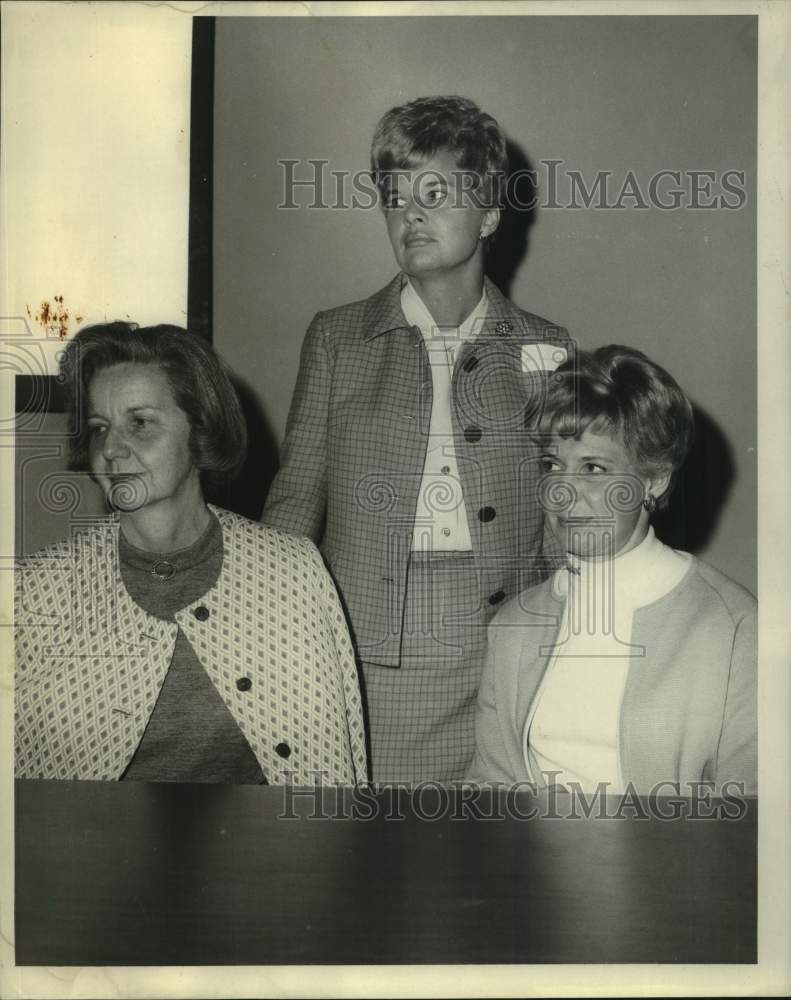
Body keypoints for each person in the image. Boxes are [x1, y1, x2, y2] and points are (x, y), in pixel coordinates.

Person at [263, 95, 570, 783]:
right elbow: (295, 499)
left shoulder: (547, 347)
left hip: (509, 639)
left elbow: (561, 516)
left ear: (489, 213)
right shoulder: (337, 338)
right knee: (382, 859)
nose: (410, 214)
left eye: (434, 193)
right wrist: (270, 621)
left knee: (495, 860)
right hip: (371, 640)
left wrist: (563, 637)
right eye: (394, 197)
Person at [15, 322, 367, 785]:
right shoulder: (36, 589)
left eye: (139, 423)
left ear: (199, 430)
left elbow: (335, 780)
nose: (112, 448)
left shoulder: (292, 571)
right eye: (100, 428)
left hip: (265, 852)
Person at [466, 345, 757, 795]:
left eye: (594, 468)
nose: (563, 492)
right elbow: (489, 791)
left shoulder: (734, 627)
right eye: (551, 466)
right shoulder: (513, 624)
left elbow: (753, 814)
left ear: (655, 479)